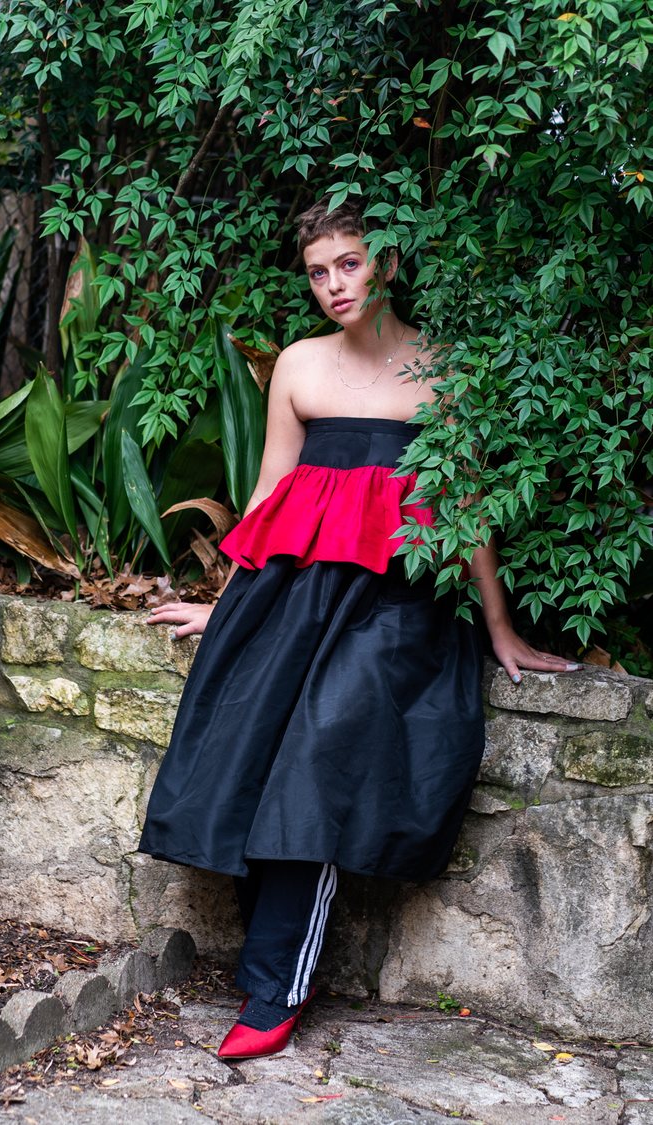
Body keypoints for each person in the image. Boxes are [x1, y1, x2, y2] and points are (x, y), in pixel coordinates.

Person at [139, 198, 580, 1060]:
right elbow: (270, 495)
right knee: (254, 741)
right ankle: (265, 948)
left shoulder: (443, 368)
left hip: (400, 606)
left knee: (324, 754)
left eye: (349, 263)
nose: (334, 284)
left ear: (384, 262)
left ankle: (275, 986)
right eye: (317, 270)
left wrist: (499, 626)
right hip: (301, 594)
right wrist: (224, 604)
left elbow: (469, 509)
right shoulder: (299, 367)